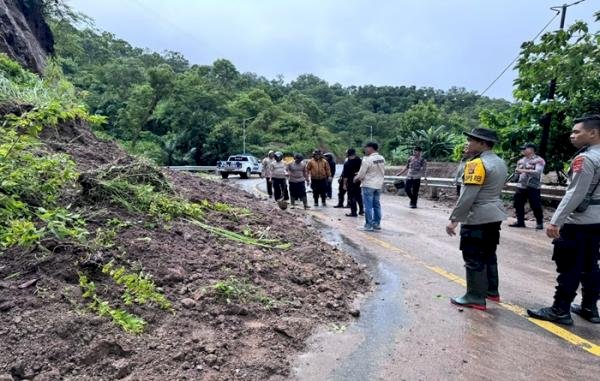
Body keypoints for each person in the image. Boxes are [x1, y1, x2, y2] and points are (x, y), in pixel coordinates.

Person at [527, 115, 600, 325]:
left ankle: (560, 310)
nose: (572, 135)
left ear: (593, 133)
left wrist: (556, 220)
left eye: (577, 131)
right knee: (591, 265)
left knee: (569, 266)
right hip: (597, 221)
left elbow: (575, 193)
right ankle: (590, 307)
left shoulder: (585, 159)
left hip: (579, 222)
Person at [446, 128, 508, 311]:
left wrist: (454, 219)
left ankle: (474, 296)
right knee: (489, 253)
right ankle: (491, 291)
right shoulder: (500, 162)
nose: (468, 143)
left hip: (478, 216)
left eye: (471, 140)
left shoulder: (476, 164)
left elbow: (468, 196)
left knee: (473, 256)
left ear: (482, 143)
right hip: (495, 214)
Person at [508, 143, 546, 229]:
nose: (522, 150)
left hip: (533, 186)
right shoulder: (521, 160)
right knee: (518, 204)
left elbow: (538, 172)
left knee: (535, 205)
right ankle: (520, 222)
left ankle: (539, 223)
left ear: (531, 149)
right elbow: (517, 173)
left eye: (524, 148)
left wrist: (522, 170)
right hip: (521, 185)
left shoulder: (539, 160)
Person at [354, 142, 385, 231]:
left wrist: (356, 178)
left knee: (368, 206)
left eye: (366, 148)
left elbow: (361, 174)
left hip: (368, 185)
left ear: (371, 148)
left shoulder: (367, 159)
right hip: (378, 185)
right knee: (377, 205)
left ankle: (368, 225)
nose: (365, 150)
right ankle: (377, 224)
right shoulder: (382, 158)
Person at [342, 148, 364, 217]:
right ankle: (361, 210)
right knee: (359, 196)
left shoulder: (347, 163)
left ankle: (353, 212)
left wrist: (344, 184)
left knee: (352, 197)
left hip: (351, 182)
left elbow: (345, 176)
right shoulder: (360, 161)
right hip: (359, 181)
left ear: (348, 154)